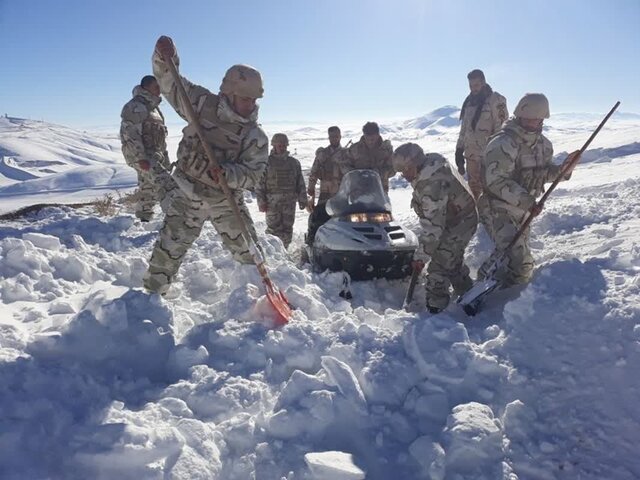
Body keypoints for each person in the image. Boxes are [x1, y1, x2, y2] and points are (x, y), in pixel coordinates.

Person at [143, 36, 268, 295]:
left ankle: (262, 299)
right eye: (246, 98)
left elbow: (253, 175)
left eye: (254, 99)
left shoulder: (255, 136)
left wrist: (229, 174)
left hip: (226, 201)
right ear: (229, 93)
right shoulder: (200, 103)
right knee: (165, 256)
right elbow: (169, 82)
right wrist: (164, 56)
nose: (251, 104)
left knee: (251, 256)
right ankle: (150, 302)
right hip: (187, 194)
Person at [477, 93, 578, 287]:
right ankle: (510, 297)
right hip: (497, 208)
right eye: (529, 118)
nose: (533, 122)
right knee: (522, 262)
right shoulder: (503, 143)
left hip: (524, 211)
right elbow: (496, 181)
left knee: (509, 252)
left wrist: (563, 171)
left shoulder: (544, 145)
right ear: (520, 114)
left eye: (537, 119)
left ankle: (492, 284)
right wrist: (528, 201)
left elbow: (543, 174)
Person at [392, 143, 477, 313]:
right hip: (453, 218)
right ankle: (470, 296)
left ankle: (436, 313)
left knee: (438, 267)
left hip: (460, 223)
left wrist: (421, 257)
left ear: (415, 164)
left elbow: (433, 229)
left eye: (405, 170)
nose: (404, 176)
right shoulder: (428, 163)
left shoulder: (432, 185)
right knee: (450, 260)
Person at [119, 75, 172, 222]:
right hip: (142, 156)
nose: (160, 89)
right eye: (156, 86)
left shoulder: (154, 109)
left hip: (154, 156)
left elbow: (160, 136)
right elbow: (130, 134)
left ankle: (144, 218)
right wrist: (140, 157)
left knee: (148, 187)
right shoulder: (135, 106)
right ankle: (176, 220)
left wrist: (164, 157)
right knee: (165, 184)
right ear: (146, 87)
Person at [455, 69, 508, 199]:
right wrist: (459, 149)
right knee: (473, 190)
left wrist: (498, 153)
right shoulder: (469, 102)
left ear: (483, 82)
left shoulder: (495, 100)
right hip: (471, 155)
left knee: (491, 190)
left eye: (476, 85)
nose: (473, 89)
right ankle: (476, 216)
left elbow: (502, 128)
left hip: (489, 156)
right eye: (471, 86)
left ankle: (490, 217)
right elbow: (465, 129)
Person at [255, 133, 307, 248]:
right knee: (273, 229)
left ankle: (285, 251)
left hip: (289, 202)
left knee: (287, 229)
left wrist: (303, 199)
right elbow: (260, 184)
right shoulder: (266, 163)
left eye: (284, 145)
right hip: (272, 203)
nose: (282, 148)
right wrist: (261, 202)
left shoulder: (294, 163)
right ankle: (273, 252)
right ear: (274, 145)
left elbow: (300, 182)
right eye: (279, 145)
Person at [305, 125, 348, 247]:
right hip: (325, 193)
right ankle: (312, 243)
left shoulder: (346, 154)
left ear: (340, 136)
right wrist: (311, 189)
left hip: (342, 193)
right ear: (329, 138)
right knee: (319, 218)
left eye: (336, 136)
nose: (334, 139)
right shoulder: (323, 154)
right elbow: (313, 173)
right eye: (332, 136)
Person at [346, 121, 395, 192]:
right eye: (367, 139)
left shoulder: (386, 150)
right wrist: (357, 175)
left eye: (372, 139)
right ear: (364, 135)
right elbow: (346, 167)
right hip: (358, 190)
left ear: (378, 135)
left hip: (380, 191)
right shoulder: (354, 149)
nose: (370, 142)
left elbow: (393, 169)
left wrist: (378, 173)